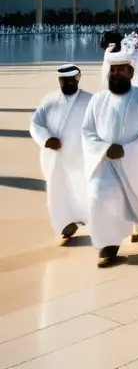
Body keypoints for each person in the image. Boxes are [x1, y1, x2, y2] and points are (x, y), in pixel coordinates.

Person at [81, 52, 138, 267]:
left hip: (135, 164)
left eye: (120, 69)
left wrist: (128, 151)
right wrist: (105, 149)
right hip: (105, 162)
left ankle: (137, 226)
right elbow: (88, 131)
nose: (115, 74)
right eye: (112, 70)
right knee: (99, 197)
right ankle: (108, 245)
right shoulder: (98, 100)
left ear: (130, 72)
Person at [29, 64, 92, 243]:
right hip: (55, 158)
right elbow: (36, 124)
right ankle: (65, 224)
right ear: (59, 80)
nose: (68, 83)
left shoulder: (90, 100)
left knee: (81, 189)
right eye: (64, 80)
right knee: (58, 192)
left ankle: (81, 217)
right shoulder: (49, 100)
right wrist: (46, 139)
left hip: (80, 156)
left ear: (78, 79)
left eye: (71, 79)